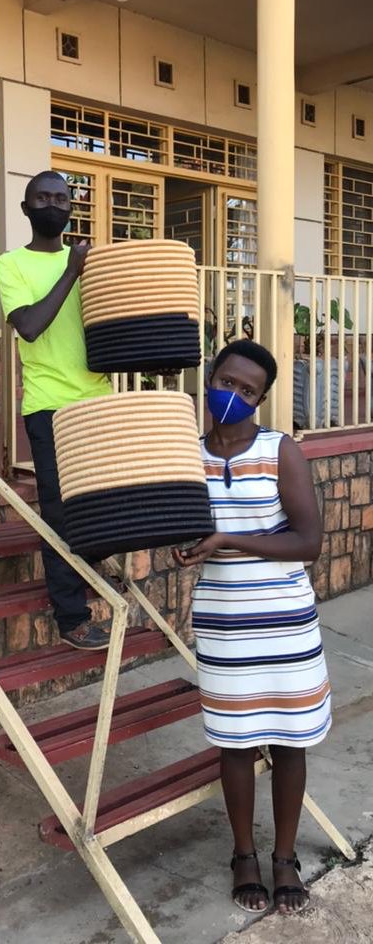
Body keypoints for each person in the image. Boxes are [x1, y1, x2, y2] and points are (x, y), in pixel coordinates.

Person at [174, 339, 331, 916]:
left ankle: (284, 857)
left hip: (287, 625)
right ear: (209, 378)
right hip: (223, 624)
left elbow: (308, 543)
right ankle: (243, 855)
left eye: (247, 391)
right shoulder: (187, 456)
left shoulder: (279, 451)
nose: (233, 396)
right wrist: (188, 549)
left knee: (290, 741)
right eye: (227, 382)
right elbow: (184, 531)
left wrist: (228, 540)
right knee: (235, 745)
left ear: (261, 398)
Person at [0, 171, 112, 650]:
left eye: (61, 199)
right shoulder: (11, 264)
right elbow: (29, 327)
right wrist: (71, 272)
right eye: (42, 198)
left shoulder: (91, 261)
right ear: (26, 208)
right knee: (58, 513)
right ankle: (71, 617)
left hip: (98, 401)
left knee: (105, 503)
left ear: (70, 209)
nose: (52, 205)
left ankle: (91, 568)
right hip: (48, 405)